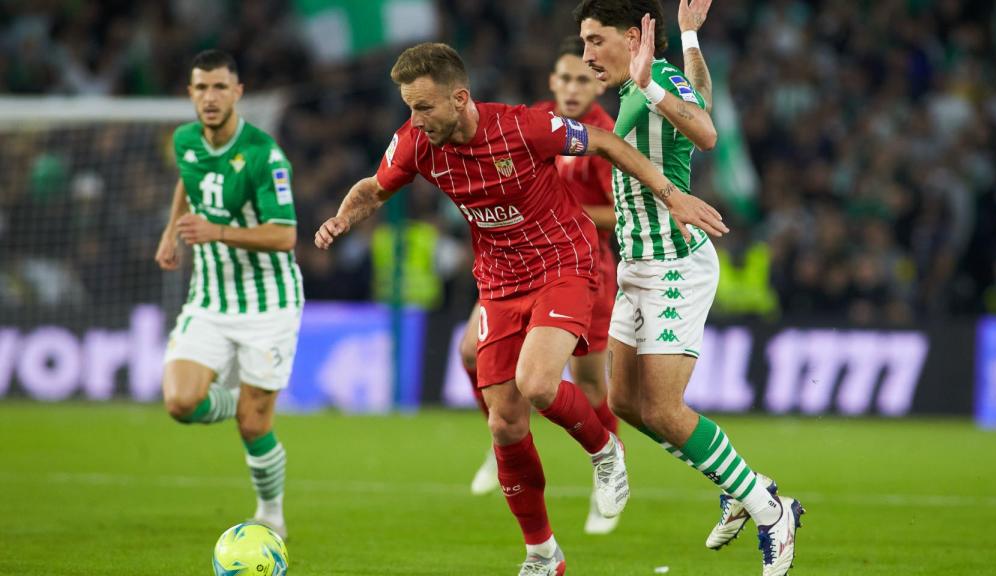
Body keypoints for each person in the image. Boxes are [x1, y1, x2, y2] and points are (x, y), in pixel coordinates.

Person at [314, 42, 726, 576]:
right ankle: (542, 553)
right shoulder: (414, 143)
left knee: (537, 383)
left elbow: (602, 142)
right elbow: (374, 187)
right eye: (409, 108)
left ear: (460, 98)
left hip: (563, 264)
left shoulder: (522, 128)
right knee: (505, 424)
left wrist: (671, 195)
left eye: (424, 107)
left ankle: (605, 452)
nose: (415, 119)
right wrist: (345, 217)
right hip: (499, 283)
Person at [575, 1, 805, 574]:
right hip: (635, 264)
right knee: (626, 403)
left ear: (630, 37)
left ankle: (768, 507)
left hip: (674, 264)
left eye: (594, 40)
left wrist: (652, 83)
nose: (586, 55)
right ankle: (739, 487)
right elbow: (697, 97)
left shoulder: (648, 81)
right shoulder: (647, 81)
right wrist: (689, 38)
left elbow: (705, 131)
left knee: (663, 406)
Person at [460, 36, 623, 536]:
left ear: (597, 83)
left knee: (590, 382)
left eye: (583, 79)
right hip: (518, 269)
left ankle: (608, 475)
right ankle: (503, 439)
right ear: (552, 83)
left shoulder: (605, 134)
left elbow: (620, 214)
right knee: (471, 352)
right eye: (565, 79)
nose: (573, 88)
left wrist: (561, 214)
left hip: (585, 270)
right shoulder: (533, 122)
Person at [155, 49, 302, 539]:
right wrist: (170, 231)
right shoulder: (185, 140)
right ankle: (244, 398)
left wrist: (214, 231)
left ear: (238, 92)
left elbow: (284, 235)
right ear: (190, 93)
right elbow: (189, 179)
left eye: (220, 87)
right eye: (201, 88)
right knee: (180, 401)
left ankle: (271, 512)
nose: (210, 97)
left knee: (254, 428)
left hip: (269, 302)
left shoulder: (264, 154)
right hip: (211, 297)